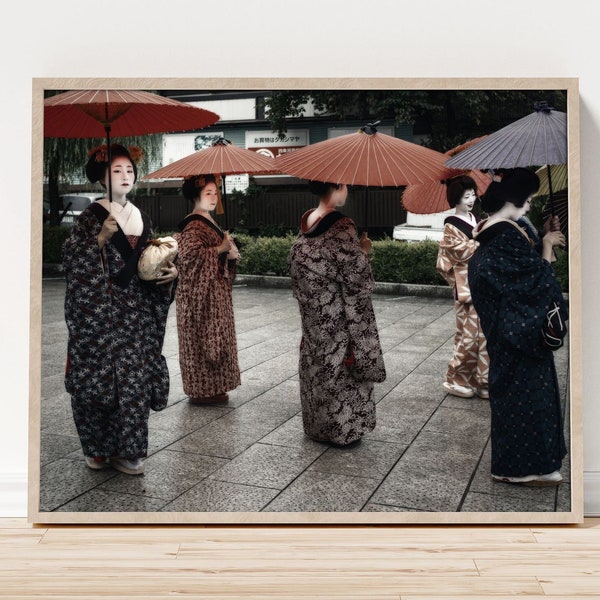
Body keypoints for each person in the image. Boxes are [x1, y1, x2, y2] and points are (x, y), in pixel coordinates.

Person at [62, 144, 178, 476]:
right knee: (99, 379)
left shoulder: (142, 217)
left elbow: (151, 263)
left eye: (129, 170)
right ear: (102, 176)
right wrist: (99, 239)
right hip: (99, 314)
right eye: (116, 171)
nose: (125, 176)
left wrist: (170, 274)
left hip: (138, 312)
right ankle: (98, 449)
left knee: (134, 381)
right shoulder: (91, 216)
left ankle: (130, 451)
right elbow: (72, 260)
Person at [468, 168, 568, 486]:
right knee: (525, 397)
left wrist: (542, 235)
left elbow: (521, 268)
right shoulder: (505, 235)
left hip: (507, 330)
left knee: (517, 396)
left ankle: (522, 464)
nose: (529, 206)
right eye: (528, 200)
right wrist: (548, 246)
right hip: (515, 333)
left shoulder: (497, 230)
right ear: (519, 199)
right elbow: (534, 283)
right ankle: (519, 468)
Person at [287, 180, 386, 448]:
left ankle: (317, 426)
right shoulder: (342, 226)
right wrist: (363, 252)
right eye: (346, 186)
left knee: (317, 364)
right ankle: (342, 429)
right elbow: (357, 279)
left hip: (313, 311)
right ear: (339, 186)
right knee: (341, 366)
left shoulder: (307, 222)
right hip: (337, 312)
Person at [175, 174, 241, 405]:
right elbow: (188, 259)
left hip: (215, 291)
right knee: (203, 337)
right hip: (201, 295)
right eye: (208, 193)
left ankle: (216, 386)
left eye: (215, 193)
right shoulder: (193, 224)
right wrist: (219, 249)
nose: (213, 198)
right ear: (196, 196)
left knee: (218, 336)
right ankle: (203, 390)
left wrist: (228, 252)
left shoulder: (207, 220)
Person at [436, 175, 489, 399]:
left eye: (473, 195)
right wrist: (482, 239)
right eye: (466, 196)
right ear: (455, 199)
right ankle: (455, 378)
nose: (471, 199)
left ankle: (482, 380)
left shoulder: (473, 217)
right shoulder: (451, 225)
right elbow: (460, 252)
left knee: (485, 335)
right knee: (468, 336)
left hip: (480, 282)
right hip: (465, 285)